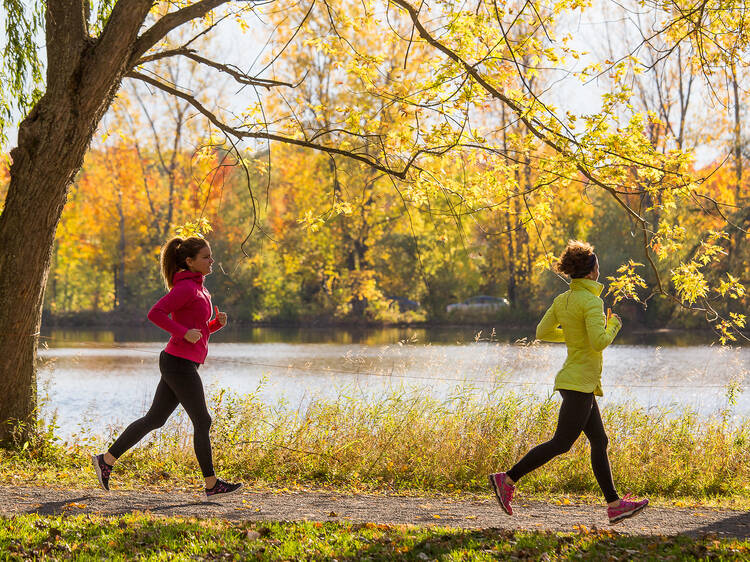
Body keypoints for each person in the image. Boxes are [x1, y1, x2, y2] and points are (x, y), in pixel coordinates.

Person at [488, 240, 648, 524]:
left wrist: (575, 336)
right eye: (597, 267)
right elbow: (599, 342)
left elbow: (542, 331)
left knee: (599, 440)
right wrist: (614, 325)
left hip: (577, 381)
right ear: (589, 273)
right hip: (578, 383)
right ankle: (507, 479)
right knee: (562, 443)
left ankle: (614, 504)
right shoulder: (592, 301)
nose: (599, 271)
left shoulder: (563, 300)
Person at [92, 236, 242, 498]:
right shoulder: (185, 288)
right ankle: (211, 484)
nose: (211, 261)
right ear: (189, 261)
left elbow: (198, 330)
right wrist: (183, 333)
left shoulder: (200, 289)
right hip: (178, 364)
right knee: (203, 420)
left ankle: (106, 460)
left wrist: (215, 325)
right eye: (206, 257)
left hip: (181, 362)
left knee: (155, 419)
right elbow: (155, 314)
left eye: (210, 256)